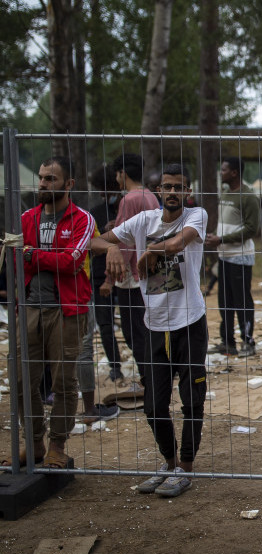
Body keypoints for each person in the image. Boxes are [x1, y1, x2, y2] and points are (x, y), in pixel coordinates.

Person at [93, 163, 209, 498]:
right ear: (158, 190)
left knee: (192, 400)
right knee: (154, 405)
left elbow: (176, 245)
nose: (173, 193)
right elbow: (95, 241)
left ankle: (185, 468)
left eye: (180, 187)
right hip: (154, 326)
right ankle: (169, 463)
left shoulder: (196, 215)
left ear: (188, 191)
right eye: (168, 187)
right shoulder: (144, 220)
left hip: (190, 324)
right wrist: (114, 248)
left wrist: (149, 253)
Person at [1, 156, 96, 470]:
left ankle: (57, 445)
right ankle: (35, 443)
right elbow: (15, 261)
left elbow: (71, 263)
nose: (42, 184)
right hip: (28, 308)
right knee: (21, 380)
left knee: (63, 382)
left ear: (68, 184)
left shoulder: (82, 219)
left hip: (67, 311)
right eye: (41, 178)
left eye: (50, 179)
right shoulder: (27, 217)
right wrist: (35, 256)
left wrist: (31, 253)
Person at [110, 153, 161, 377]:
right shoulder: (149, 195)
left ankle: (147, 377)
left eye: (117, 173)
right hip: (148, 268)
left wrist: (111, 277)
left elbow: (124, 243)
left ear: (124, 173)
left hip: (131, 275)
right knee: (146, 327)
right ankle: (153, 373)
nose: (116, 177)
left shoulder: (128, 199)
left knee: (133, 332)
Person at [205, 157, 259, 358]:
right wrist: (216, 237)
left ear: (234, 172)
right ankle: (228, 342)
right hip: (224, 256)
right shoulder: (226, 194)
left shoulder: (248, 197)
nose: (221, 172)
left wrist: (221, 239)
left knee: (242, 301)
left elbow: (251, 229)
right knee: (224, 301)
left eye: (224, 169)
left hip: (240, 257)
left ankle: (248, 342)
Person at [87, 163, 124, 383]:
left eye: (105, 188)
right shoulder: (96, 213)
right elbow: (90, 244)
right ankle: (115, 367)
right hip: (101, 275)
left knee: (134, 326)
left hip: (128, 276)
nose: (102, 194)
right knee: (105, 324)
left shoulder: (129, 207)